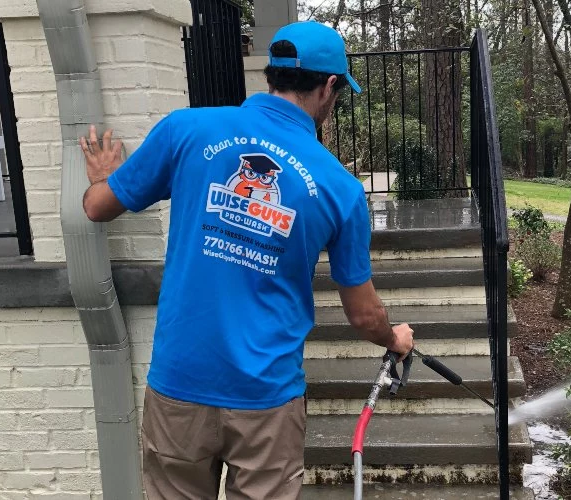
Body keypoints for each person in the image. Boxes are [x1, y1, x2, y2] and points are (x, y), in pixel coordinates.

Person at [79, 20, 414, 500]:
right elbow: (363, 316)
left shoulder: (186, 129)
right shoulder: (340, 188)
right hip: (266, 401)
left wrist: (104, 176)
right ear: (330, 86)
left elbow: (97, 207)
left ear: (271, 75)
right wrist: (393, 337)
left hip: (179, 384)